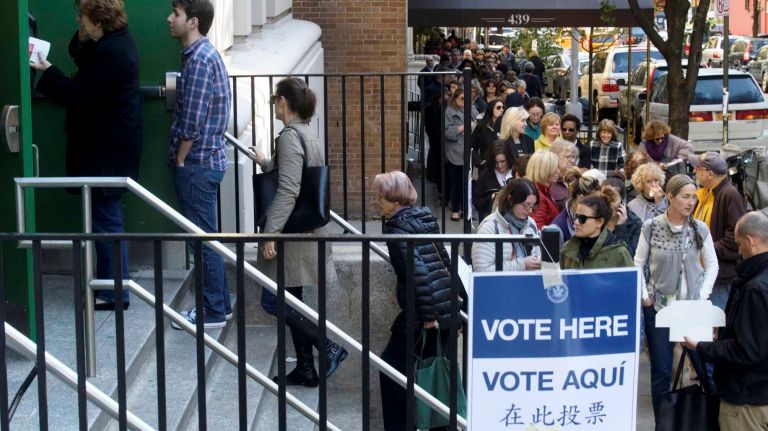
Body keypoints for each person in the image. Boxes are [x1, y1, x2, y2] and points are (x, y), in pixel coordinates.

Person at [33, 0, 142, 310]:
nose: (78, 22)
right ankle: (110, 287)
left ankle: (113, 291)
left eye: (82, 19)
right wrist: (82, 37)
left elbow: (78, 96)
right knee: (105, 218)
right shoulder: (114, 42)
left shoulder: (110, 52)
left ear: (99, 22)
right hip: (110, 148)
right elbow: (85, 61)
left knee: (106, 222)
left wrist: (48, 70)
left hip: (105, 151)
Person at [252, 78, 347, 385]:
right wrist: (267, 163)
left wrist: (270, 232)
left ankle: (329, 346)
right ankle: (306, 368)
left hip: (290, 235)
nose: (274, 105)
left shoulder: (289, 137)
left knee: (274, 301)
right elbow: (297, 174)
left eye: (274, 100)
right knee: (292, 298)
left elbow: (290, 188)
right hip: (304, 232)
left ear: (284, 102)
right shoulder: (308, 134)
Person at [165, 0, 233, 327]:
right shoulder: (203, 56)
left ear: (192, 22)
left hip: (197, 163)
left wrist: (180, 159)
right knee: (207, 236)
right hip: (207, 160)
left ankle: (213, 310)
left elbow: (192, 121)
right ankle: (220, 305)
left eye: (175, 14)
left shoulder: (200, 60)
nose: (169, 19)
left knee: (203, 238)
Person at [374, 171, 455, 431]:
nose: (378, 201)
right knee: (435, 372)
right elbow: (444, 261)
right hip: (442, 307)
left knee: (392, 369)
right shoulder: (425, 216)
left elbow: (415, 273)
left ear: (396, 198)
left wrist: (429, 315)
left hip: (423, 313)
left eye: (382, 196)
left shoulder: (397, 229)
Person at [635, 174, 719, 421]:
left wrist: (702, 297)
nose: (691, 201)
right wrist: (644, 297)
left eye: (694, 196)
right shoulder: (651, 227)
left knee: (703, 363)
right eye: (685, 196)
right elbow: (638, 262)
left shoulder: (699, 228)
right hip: (659, 306)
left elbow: (712, 265)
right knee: (661, 370)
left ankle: (710, 418)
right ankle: (664, 422)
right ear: (669, 197)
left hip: (691, 307)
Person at [686, 211, 768, 431]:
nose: (739, 251)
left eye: (740, 244)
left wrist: (702, 346)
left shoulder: (754, 288)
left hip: (747, 399)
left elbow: (747, 350)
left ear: (750, 242)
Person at [691, 152, 748, 311]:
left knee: (715, 326)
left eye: (698, 168)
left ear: (710, 173)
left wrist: (704, 249)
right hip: (706, 273)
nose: (694, 171)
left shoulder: (729, 194)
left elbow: (736, 239)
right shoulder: (707, 193)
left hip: (721, 277)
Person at [473, 178, 542, 272]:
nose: (530, 211)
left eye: (533, 206)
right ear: (510, 200)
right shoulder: (489, 227)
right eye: (526, 205)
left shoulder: (531, 224)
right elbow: (481, 271)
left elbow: (537, 255)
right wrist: (522, 265)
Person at [560, 188, 634, 269]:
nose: (576, 222)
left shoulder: (619, 253)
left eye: (582, 218)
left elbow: (631, 280)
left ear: (599, 222)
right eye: (576, 216)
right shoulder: (567, 249)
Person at [444, 89, 478, 221]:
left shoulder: (473, 109)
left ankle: (467, 209)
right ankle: (455, 209)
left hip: (470, 150)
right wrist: (463, 127)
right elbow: (448, 132)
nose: (464, 101)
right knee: (457, 182)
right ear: (455, 98)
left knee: (469, 182)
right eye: (462, 98)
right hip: (456, 151)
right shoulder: (450, 111)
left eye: (467, 98)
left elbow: (478, 125)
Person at [552, 169, 602, 243]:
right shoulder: (558, 229)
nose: (598, 204)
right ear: (581, 198)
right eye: (593, 201)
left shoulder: (596, 218)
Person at [472, 141, 515, 222]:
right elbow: (476, 202)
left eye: (502, 161)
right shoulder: (485, 174)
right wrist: (490, 198)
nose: (499, 165)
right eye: (496, 162)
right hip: (490, 223)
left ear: (508, 158)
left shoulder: (516, 173)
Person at [603, 173, 642, 256]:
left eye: (612, 199)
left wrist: (621, 228)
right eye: (603, 199)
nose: (607, 205)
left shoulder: (635, 224)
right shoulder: (594, 218)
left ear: (623, 201)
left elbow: (628, 257)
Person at [526, 151, 561, 229]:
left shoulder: (543, 190)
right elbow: (537, 228)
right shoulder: (537, 195)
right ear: (544, 170)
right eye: (555, 168)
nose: (558, 171)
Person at [471, 99, 504, 168]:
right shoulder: (481, 126)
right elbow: (472, 147)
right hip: (485, 167)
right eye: (498, 107)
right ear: (491, 109)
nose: (501, 110)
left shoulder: (504, 126)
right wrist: (479, 162)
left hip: (502, 167)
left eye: (503, 107)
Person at [548, 138, 578, 210]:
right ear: (556, 157)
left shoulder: (577, 180)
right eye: (568, 157)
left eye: (573, 157)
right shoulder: (549, 181)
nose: (573, 161)